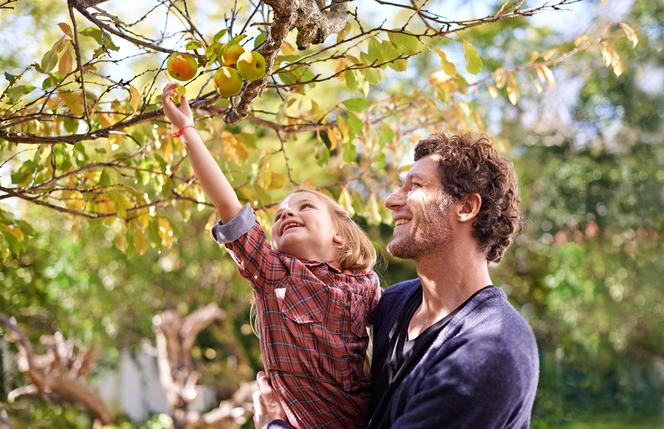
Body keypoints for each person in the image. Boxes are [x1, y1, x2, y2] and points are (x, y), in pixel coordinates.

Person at [254, 131, 539, 428]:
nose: (391, 200)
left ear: (466, 207)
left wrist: (274, 425)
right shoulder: (391, 305)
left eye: (415, 186)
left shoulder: (489, 351)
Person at [162, 83, 383, 429]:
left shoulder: (366, 285)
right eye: (279, 214)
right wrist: (187, 130)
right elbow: (230, 207)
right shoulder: (274, 275)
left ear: (339, 233)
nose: (285, 214)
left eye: (304, 206)